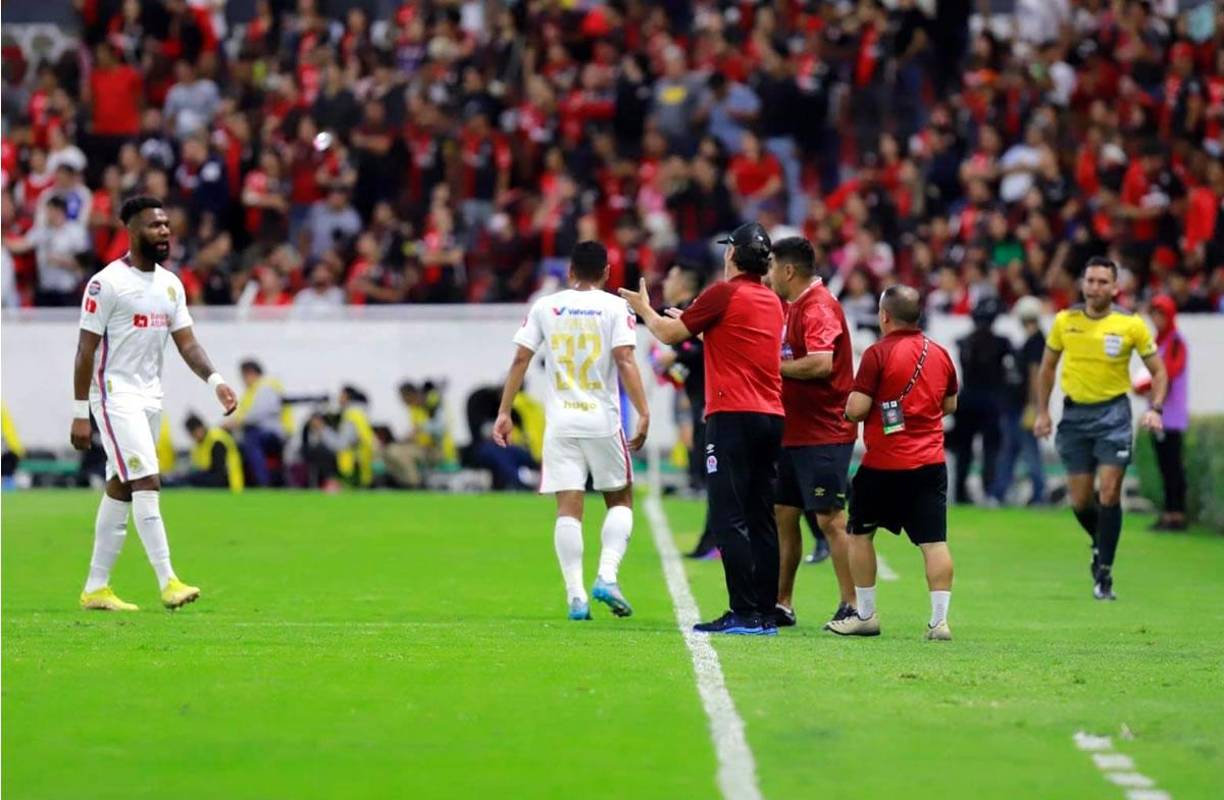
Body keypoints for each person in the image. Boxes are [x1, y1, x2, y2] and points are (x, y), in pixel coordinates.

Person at [70, 195, 238, 611]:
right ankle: (169, 581)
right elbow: (84, 351)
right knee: (147, 480)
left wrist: (215, 381)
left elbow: (187, 343)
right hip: (113, 396)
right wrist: (80, 414)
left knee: (121, 487)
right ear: (132, 231)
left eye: (166, 225)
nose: (164, 231)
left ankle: (96, 588)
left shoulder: (170, 284)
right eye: (153, 225)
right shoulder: (106, 284)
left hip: (149, 397)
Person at [621, 222, 785, 636]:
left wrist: (645, 308)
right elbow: (734, 338)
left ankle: (744, 612)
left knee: (729, 516)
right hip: (771, 416)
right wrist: (698, 323)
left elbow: (667, 334)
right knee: (761, 516)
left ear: (731, 255)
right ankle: (766, 611)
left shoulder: (722, 294)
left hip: (732, 415)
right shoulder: (770, 300)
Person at [493, 241, 650, 621]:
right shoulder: (616, 306)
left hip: (561, 423)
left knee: (568, 508)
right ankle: (607, 577)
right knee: (620, 499)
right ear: (607, 273)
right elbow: (625, 359)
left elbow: (520, 358)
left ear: (569, 271)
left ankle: (576, 596)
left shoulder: (546, 306)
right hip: (601, 420)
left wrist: (503, 411)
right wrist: (644, 411)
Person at [828, 285, 959, 640]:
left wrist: (846, 407)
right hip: (930, 464)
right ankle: (939, 621)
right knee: (934, 542)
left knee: (860, 535)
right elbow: (949, 406)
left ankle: (866, 615)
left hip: (884, 464)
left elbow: (856, 410)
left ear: (884, 316)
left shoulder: (876, 354)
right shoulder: (940, 354)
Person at [1034, 256, 1167, 601]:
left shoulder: (1131, 325)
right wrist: (1042, 413)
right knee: (1079, 500)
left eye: (1102, 282)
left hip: (1114, 416)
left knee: (1109, 492)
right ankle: (1100, 543)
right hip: (1075, 417)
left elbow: (1159, 371)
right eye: (1090, 280)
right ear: (1082, 283)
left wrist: (1155, 407)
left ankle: (1104, 573)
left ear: (1115, 287)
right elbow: (1047, 369)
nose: (1095, 287)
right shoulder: (1065, 321)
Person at [765, 236, 857, 628]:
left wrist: (770, 368)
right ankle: (782, 603)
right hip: (794, 429)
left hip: (825, 430)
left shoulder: (818, 308)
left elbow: (820, 364)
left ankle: (853, 605)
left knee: (830, 520)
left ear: (788, 271)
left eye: (771, 268)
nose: (768, 276)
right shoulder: (791, 306)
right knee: (784, 514)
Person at [652, 263, 715, 559]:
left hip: (712, 402)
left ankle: (715, 541)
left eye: (671, 276)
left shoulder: (694, 310)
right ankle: (712, 539)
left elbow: (707, 349)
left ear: (684, 284)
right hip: (699, 400)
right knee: (707, 473)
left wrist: (675, 356)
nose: (665, 281)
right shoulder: (677, 312)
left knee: (714, 475)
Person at [951, 298, 1011, 504]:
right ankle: (989, 491)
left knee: (964, 451)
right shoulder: (1002, 343)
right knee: (990, 450)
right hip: (990, 402)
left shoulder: (964, 342)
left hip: (968, 400)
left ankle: (961, 492)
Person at [1136, 295, 1188, 531]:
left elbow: (1170, 372)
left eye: (1160, 315)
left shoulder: (1176, 342)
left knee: (1172, 466)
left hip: (1171, 416)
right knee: (1164, 466)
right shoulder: (1158, 342)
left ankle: (1176, 514)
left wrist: (1146, 387)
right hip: (1158, 416)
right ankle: (1169, 512)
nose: (1156, 320)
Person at [989, 296, 1046, 505]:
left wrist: (1033, 406)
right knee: (1011, 451)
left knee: (1028, 451)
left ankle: (1038, 494)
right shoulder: (1034, 340)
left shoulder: (1036, 342)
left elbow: (1035, 375)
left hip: (1022, 406)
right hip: (1017, 405)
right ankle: (999, 492)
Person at [231, 360, 292, 487]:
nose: (243, 381)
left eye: (244, 376)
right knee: (242, 442)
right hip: (263, 433)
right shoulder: (252, 391)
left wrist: (237, 422)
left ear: (251, 373)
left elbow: (259, 413)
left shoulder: (266, 386)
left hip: (275, 434)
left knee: (251, 439)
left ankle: (264, 483)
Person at [184, 414, 244, 491]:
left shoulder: (216, 440)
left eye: (193, 434)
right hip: (217, 478)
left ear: (200, 429)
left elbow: (219, 472)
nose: (193, 437)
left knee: (190, 480)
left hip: (231, 483)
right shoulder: (200, 444)